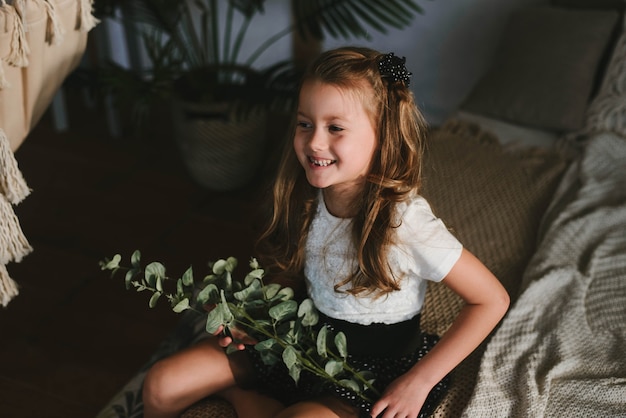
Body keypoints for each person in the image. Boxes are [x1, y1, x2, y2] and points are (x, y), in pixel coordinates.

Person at [142, 46, 510, 418]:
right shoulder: (306, 192)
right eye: (305, 123)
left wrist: (419, 381)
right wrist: (252, 319)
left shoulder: (405, 222)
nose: (315, 142)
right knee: (161, 384)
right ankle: (246, 398)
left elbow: (491, 300)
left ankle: (248, 400)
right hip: (297, 338)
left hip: (367, 373)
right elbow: (295, 271)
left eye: (335, 128)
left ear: (382, 135)